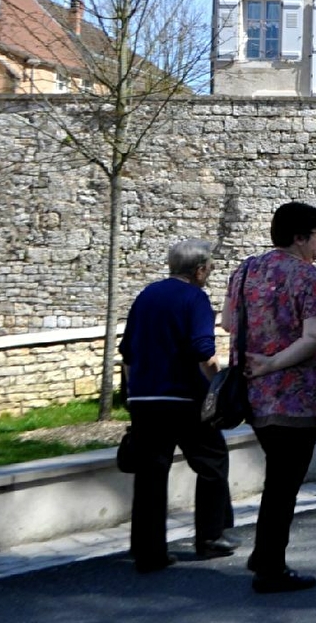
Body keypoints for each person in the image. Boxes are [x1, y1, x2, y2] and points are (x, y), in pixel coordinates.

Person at [226, 201, 316, 593]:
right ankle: (270, 567)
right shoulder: (311, 279)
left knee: (278, 477)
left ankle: (263, 552)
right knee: (283, 485)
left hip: (253, 396)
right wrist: (273, 363)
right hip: (296, 397)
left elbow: (226, 321)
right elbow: (315, 336)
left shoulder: (245, 271)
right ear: (299, 237)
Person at [119, 238, 235, 573]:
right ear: (199, 270)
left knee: (150, 474)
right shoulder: (195, 298)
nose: (209, 274)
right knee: (212, 461)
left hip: (144, 400)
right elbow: (203, 350)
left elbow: (127, 351)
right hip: (184, 398)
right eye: (209, 268)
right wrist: (218, 385)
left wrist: (133, 394)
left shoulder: (146, 295)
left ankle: (147, 552)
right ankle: (210, 538)